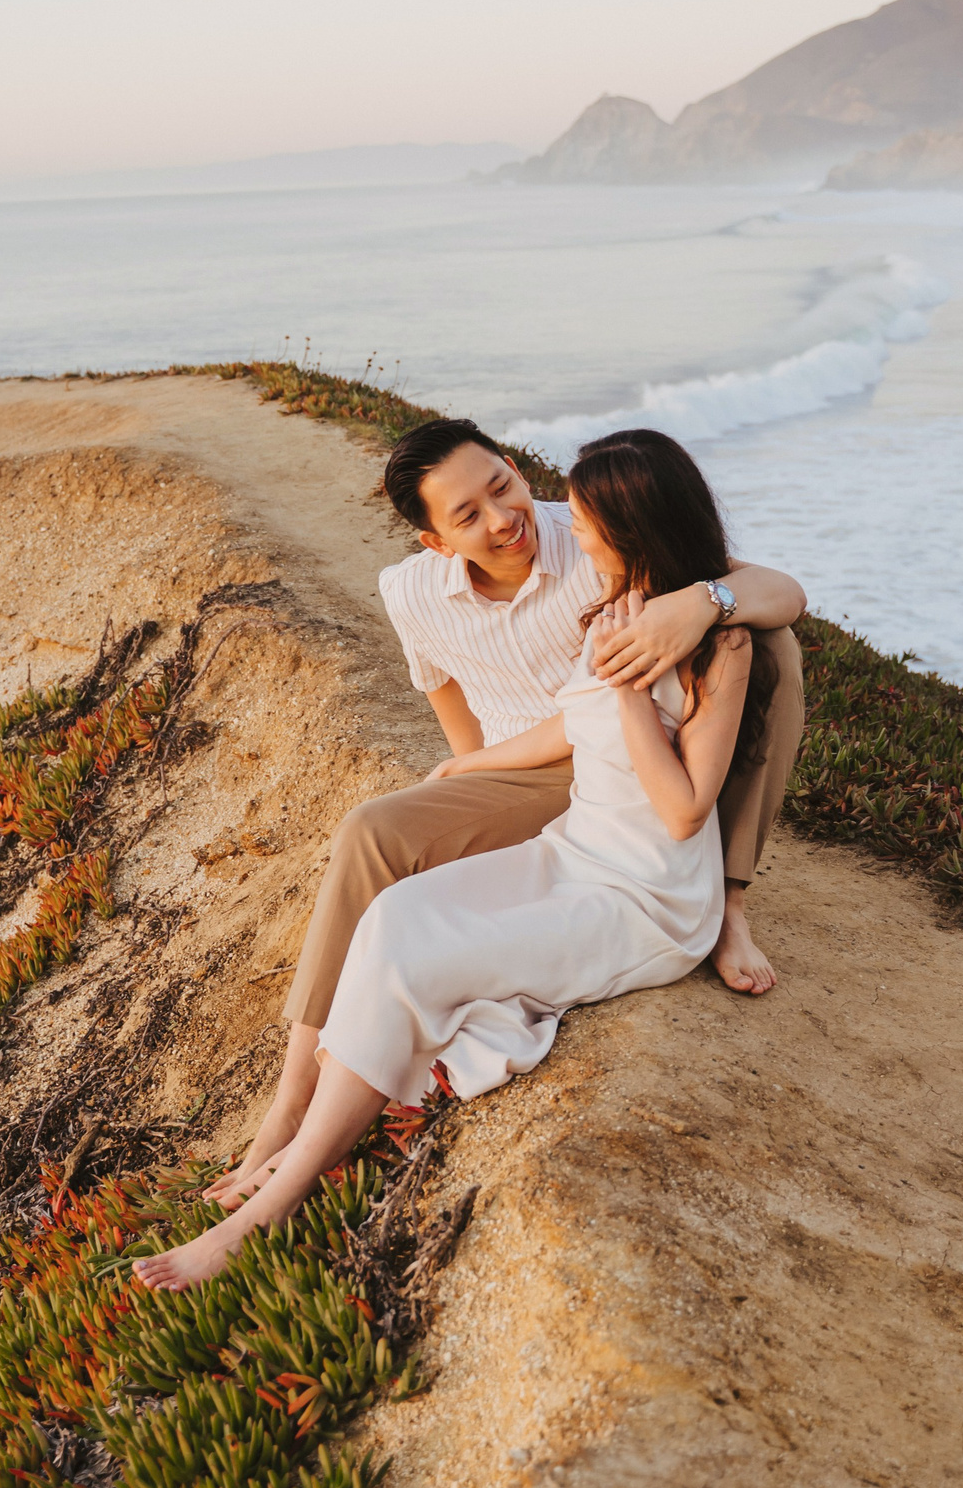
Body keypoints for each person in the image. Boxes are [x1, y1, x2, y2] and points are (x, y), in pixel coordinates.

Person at [139, 430, 776, 1289]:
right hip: (578, 846)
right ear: (435, 538)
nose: (546, 526)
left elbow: (681, 807)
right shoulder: (609, 603)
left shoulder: (706, 639)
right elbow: (568, 719)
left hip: (650, 896)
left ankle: (267, 1210)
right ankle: (292, 1107)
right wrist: (474, 763)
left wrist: (662, 653)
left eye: (576, 523)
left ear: (630, 531)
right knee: (397, 916)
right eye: (470, 512)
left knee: (423, 961)